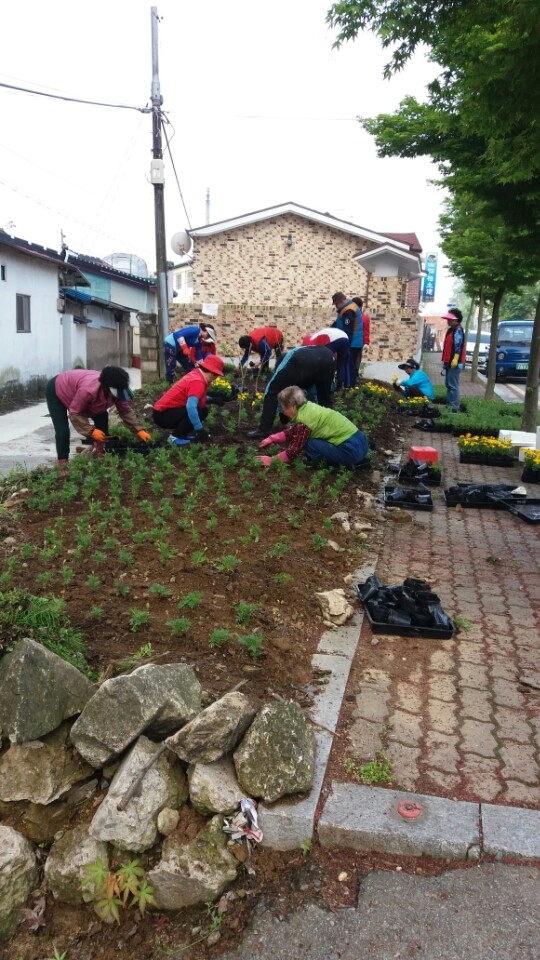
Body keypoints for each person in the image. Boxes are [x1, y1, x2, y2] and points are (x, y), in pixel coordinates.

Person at [46, 366, 151, 468]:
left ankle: (100, 450)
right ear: (107, 389)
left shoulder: (117, 388)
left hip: (77, 390)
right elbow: (75, 413)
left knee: (102, 416)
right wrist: (91, 431)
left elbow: (125, 411)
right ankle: (63, 463)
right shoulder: (88, 390)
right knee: (62, 431)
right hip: (57, 389)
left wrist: (138, 430)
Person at [255, 385, 368, 469]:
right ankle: (349, 460)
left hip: (350, 451)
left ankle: (343, 464)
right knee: (305, 437)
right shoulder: (309, 408)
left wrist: (271, 460)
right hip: (361, 443)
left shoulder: (303, 421)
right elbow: (295, 431)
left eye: (284, 408)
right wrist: (272, 438)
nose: (283, 412)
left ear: (293, 407)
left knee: (307, 442)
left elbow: (293, 451)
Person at [246, 345, 335, 439]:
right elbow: (312, 395)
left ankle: (264, 429)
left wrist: (284, 420)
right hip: (328, 356)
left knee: (272, 390)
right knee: (324, 396)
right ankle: (328, 428)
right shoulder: (306, 369)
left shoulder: (288, 360)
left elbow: (275, 391)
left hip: (303, 358)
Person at [151, 354, 225, 445]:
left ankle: (182, 434)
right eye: (216, 376)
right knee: (197, 411)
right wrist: (199, 429)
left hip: (163, 412)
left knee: (203, 410)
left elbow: (195, 397)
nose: (215, 378)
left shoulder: (196, 374)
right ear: (212, 374)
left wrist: (212, 399)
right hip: (162, 415)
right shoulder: (198, 382)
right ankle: (174, 438)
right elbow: (191, 407)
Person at [441, 308, 466, 412]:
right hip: (448, 362)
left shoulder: (458, 330)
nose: (448, 321)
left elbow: (458, 346)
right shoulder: (451, 330)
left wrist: (455, 359)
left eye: (450, 319)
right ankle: (449, 404)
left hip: (454, 363)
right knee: (448, 384)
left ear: (455, 320)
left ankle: (454, 407)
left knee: (453, 385)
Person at [351, 297, 371, 385]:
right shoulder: (349, 316)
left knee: (356, 363)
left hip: (357, 345)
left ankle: (353, 380)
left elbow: (366, 332)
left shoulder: (365, 319)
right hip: (348, 344)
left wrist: (366, 343)